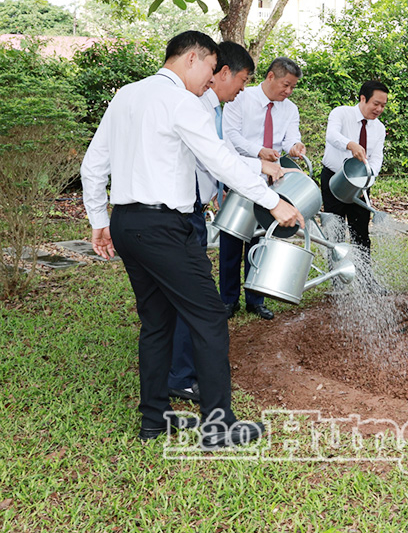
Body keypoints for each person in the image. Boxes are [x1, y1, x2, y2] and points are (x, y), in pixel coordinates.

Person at [80, 31, 303, 447]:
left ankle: (154, 420)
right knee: (210, 317)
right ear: (192, 59)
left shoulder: (126, 95)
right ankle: (219, 427)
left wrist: (99, 219)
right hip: (165, 228)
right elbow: (218, 159)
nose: (211, 78)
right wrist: (274, 202)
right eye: (210, 68)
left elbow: (93, 164)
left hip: (127, 223)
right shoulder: (180, 101)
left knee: (157, 323)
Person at [168, 41, 279, 404]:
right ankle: (183, 376)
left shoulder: (206, 105)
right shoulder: (194, 105)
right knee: (197, 301)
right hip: (180, 213)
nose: (243, 88)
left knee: (176, 301)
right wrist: (269, 194)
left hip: (193, 207)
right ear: (222, 72)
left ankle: (175, 372)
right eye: (243, 80)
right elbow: (217, 156)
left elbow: (217, 157)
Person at [220, 56, 306, 320]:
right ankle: (228, 300)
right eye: (285, 85)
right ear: (270, 76)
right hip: (240, 176)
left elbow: (290, 137)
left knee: (262, 239)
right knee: (232, 242)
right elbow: (230, 135)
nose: (288, 91)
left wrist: (295, 146)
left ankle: (255, 299)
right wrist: (258, 151)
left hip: (271, 184)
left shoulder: (290, 109)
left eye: (293, 87)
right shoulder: (240, 98)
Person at [321, 80, 388, 254]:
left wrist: (368, 179)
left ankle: (363, 270)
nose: (379, 109)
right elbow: (332, 135)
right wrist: (350, 145)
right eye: (376, 104)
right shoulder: (341, 113)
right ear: (363, 98)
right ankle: (337, 269)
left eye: (383, 105)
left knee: (361, 232)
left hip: (361, 183)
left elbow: (377, 157)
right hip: (334, 179)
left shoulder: (379, 128)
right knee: (334, 231)